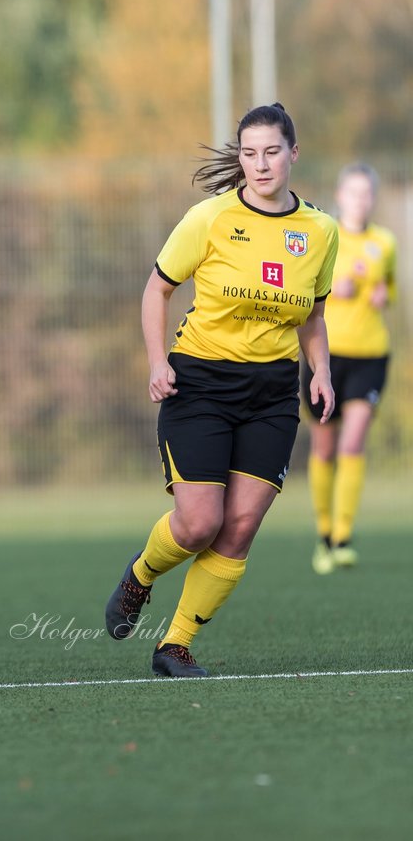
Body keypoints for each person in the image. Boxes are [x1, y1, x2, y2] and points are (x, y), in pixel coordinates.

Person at [104, 103, 337, 677]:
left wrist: (322, 371)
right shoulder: (208, 218)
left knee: (240, 526)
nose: (260, 165)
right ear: (240, 158)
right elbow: (155, 291)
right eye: (249, 153)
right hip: (201, 383)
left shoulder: (321, 231)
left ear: (293, 154)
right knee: (199, 523)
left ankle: (175, 646)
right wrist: (157, 361)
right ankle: (140, 577)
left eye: (272, 152)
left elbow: (313, 315)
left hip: (273, 393)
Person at [303, 164, 397, 574]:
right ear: (340, 195)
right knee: (325, 447)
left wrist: (383, 294)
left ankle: (343, 536)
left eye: (366, 193)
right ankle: (324, 533)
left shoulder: (384, 242)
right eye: (353, 193)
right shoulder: (325, 236)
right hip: (326, 357)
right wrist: (332, 294)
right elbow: (302, 290)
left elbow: (389, 285)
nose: (360, 200)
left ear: (372, 198)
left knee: (353, 442)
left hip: (371, 354)